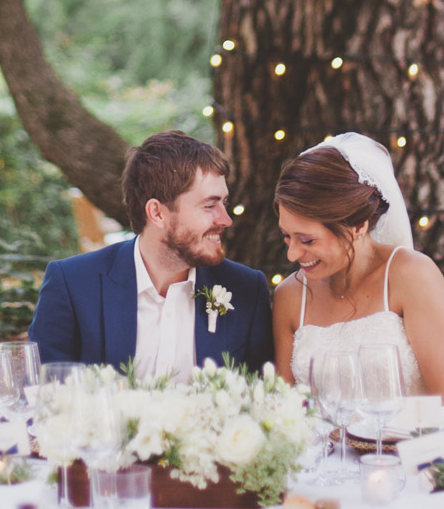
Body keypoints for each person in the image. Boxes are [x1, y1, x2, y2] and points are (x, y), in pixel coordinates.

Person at [29, 130, 274, 380]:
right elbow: (47, 396)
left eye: (224, 203)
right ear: (157, 213)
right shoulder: (72, 284)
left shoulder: (246, 290)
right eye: (210, 205)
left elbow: (259, 397)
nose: (226, 219)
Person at [273, 132, 444, 397]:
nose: (292, 254)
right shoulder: (290, 296)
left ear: (358, 225)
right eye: (287, 236)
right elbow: (282, 411)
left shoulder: (412, 276)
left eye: (307, 240)